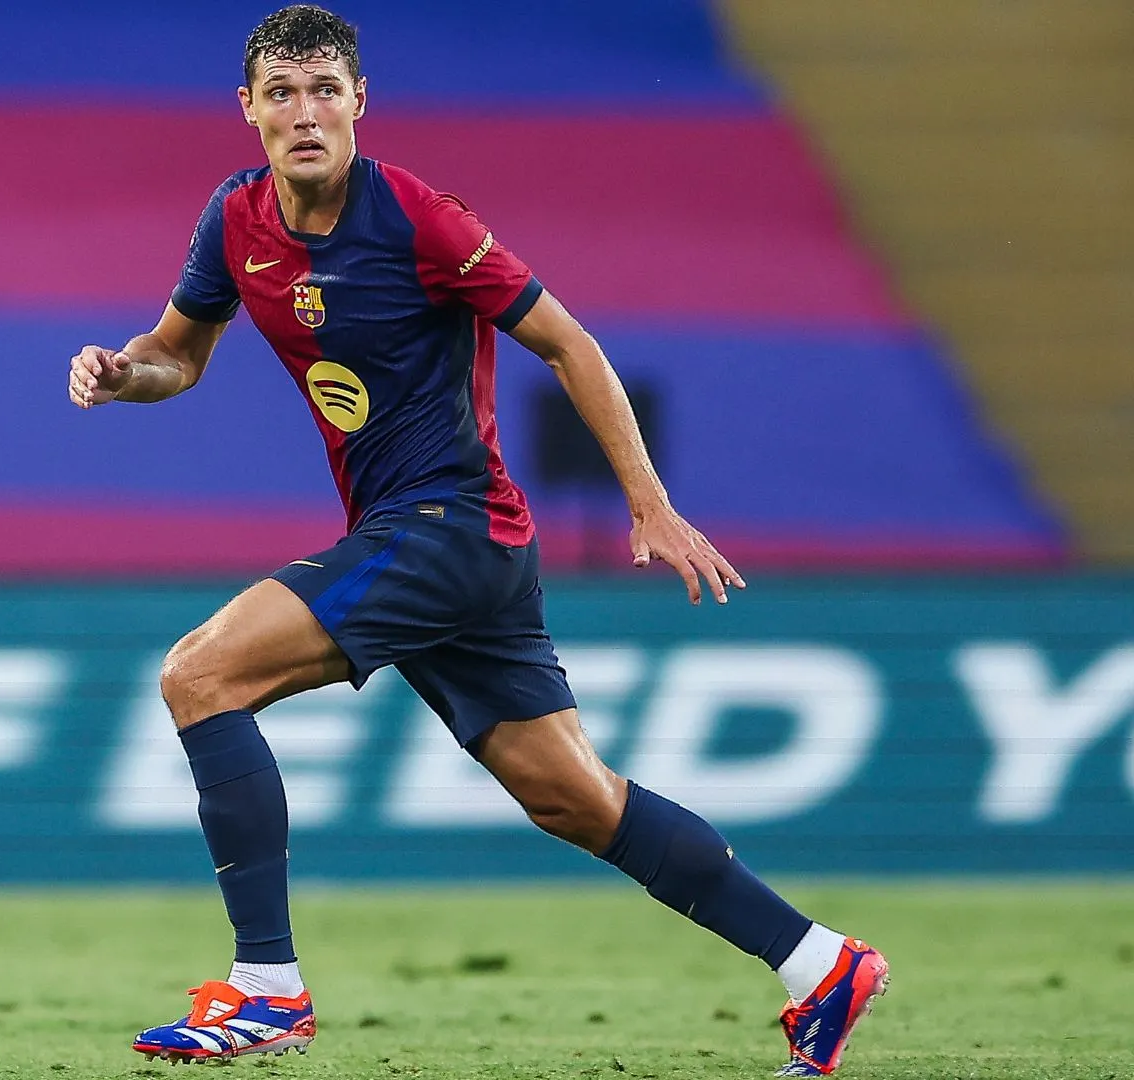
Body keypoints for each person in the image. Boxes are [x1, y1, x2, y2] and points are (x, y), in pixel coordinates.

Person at [66, 7, 885, 1076]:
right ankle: (820, 963)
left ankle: (266, 988)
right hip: (452, 545)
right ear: (249, 109)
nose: (305, 113)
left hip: (447, 525)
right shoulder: (235, 219)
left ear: (359, 101)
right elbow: (178, 355)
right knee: (575, 799)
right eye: (283, 93)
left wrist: (648, 502)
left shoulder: (420, 219)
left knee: (199, 675)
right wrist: (124, 374)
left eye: (325, 91)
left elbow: (568, 343)